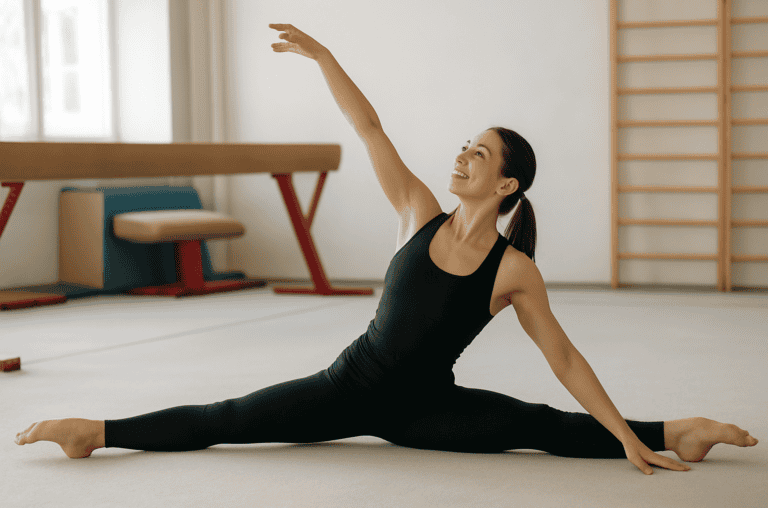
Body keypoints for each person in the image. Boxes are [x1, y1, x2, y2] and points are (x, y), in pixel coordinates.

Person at [15, 24, 758, 475]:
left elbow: (562, 359)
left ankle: (677, 432)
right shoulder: (417, 212)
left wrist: (628, 437)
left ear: (506, 186)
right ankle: (95, 431)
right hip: (345, 387)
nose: (462, 156)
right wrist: (325, 57)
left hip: (430, 412)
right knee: (231, 417)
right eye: (464, 145)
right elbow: (370, 127)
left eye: (479, 154)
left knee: (542, 428)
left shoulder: (515, 271)